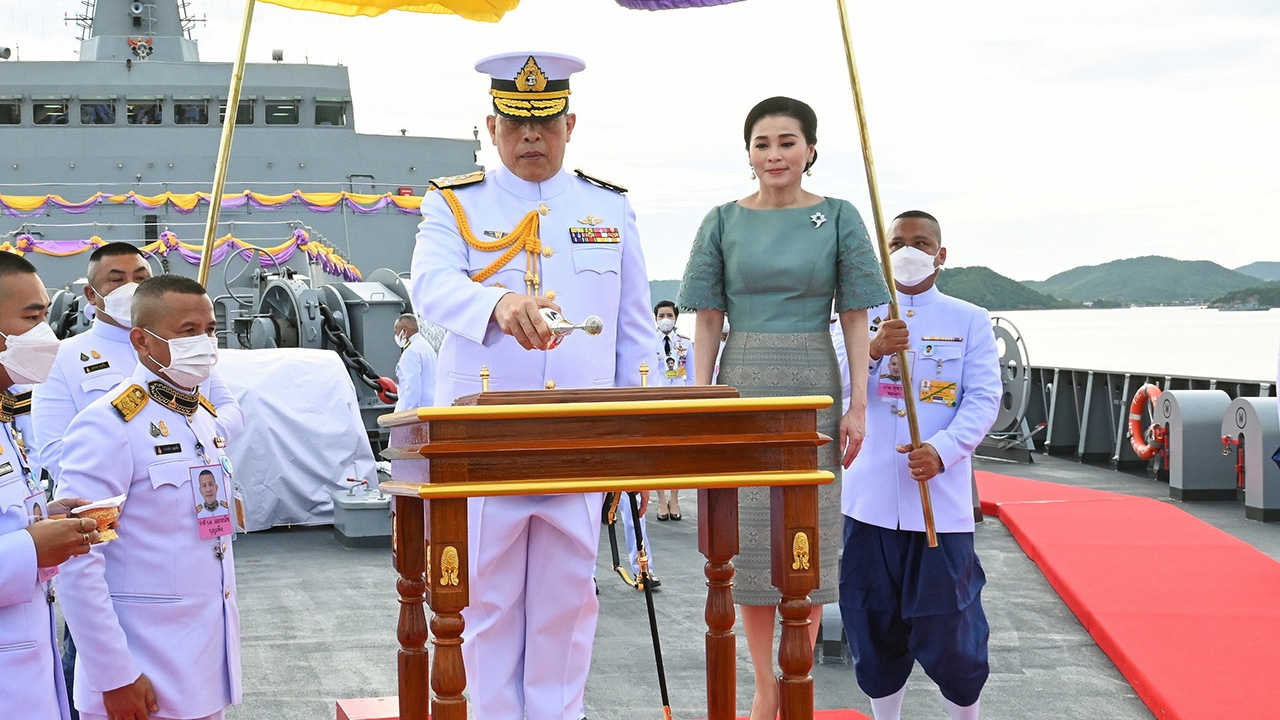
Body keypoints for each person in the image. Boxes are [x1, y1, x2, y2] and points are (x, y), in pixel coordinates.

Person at [410, 52, 653, 720]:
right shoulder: (455, 201)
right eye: (516, 124)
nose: (531, 138)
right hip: (482, 440)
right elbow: (429, 286)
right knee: (482, 604)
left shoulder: (608, 206)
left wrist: (647, 436)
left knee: (568, 604)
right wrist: (496, 306)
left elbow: (634, 331)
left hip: (581, 439)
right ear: (492, 127)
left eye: (545, 123)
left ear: (569, 124)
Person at [678, 96, 889, 720]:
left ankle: (797, 671)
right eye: (763, 143)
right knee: (746, 533)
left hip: (812, 388)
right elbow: (708, 319)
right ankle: (765, 683)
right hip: (739, 382)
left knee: (808, 525)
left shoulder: (841, 216)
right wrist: (701, 398)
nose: (775, 154)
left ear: (811, 149)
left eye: (788, 142)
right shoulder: (720, 220)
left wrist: (855, 407)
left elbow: (855, 316)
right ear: (748, 154)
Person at [56, 275, 242, 720]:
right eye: (188, 331)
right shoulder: (109, 424)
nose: (205, 342)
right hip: (141, 676)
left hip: (202, 668)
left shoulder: (198, 415)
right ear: (142, 340)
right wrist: (113, 676)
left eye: (211, 329)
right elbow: (78, 560)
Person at [838, 211, 1001, 720]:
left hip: (938, 502)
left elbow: (982, 398)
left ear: (941, 254)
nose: (909, 251)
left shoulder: (969, 318)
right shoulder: (856, 320)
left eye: (921, 242)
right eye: (898, 243)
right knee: (873, 623)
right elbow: (835, 393)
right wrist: (871, 352)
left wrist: (945, 449)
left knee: (952, 628)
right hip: (870, 503)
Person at [0, 250, 101, 720]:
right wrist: (30, 549)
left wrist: (44, 520)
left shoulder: (6, 417)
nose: (47, 333)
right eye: (33, 317)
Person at [392, 313, 438, 412]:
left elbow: (412, 387)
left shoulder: (411, 352)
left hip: (415, 411)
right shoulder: (427, 347)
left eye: (396, 332)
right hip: (430, 407)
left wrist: (408, 413)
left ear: (404, 331)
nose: (396, 336)